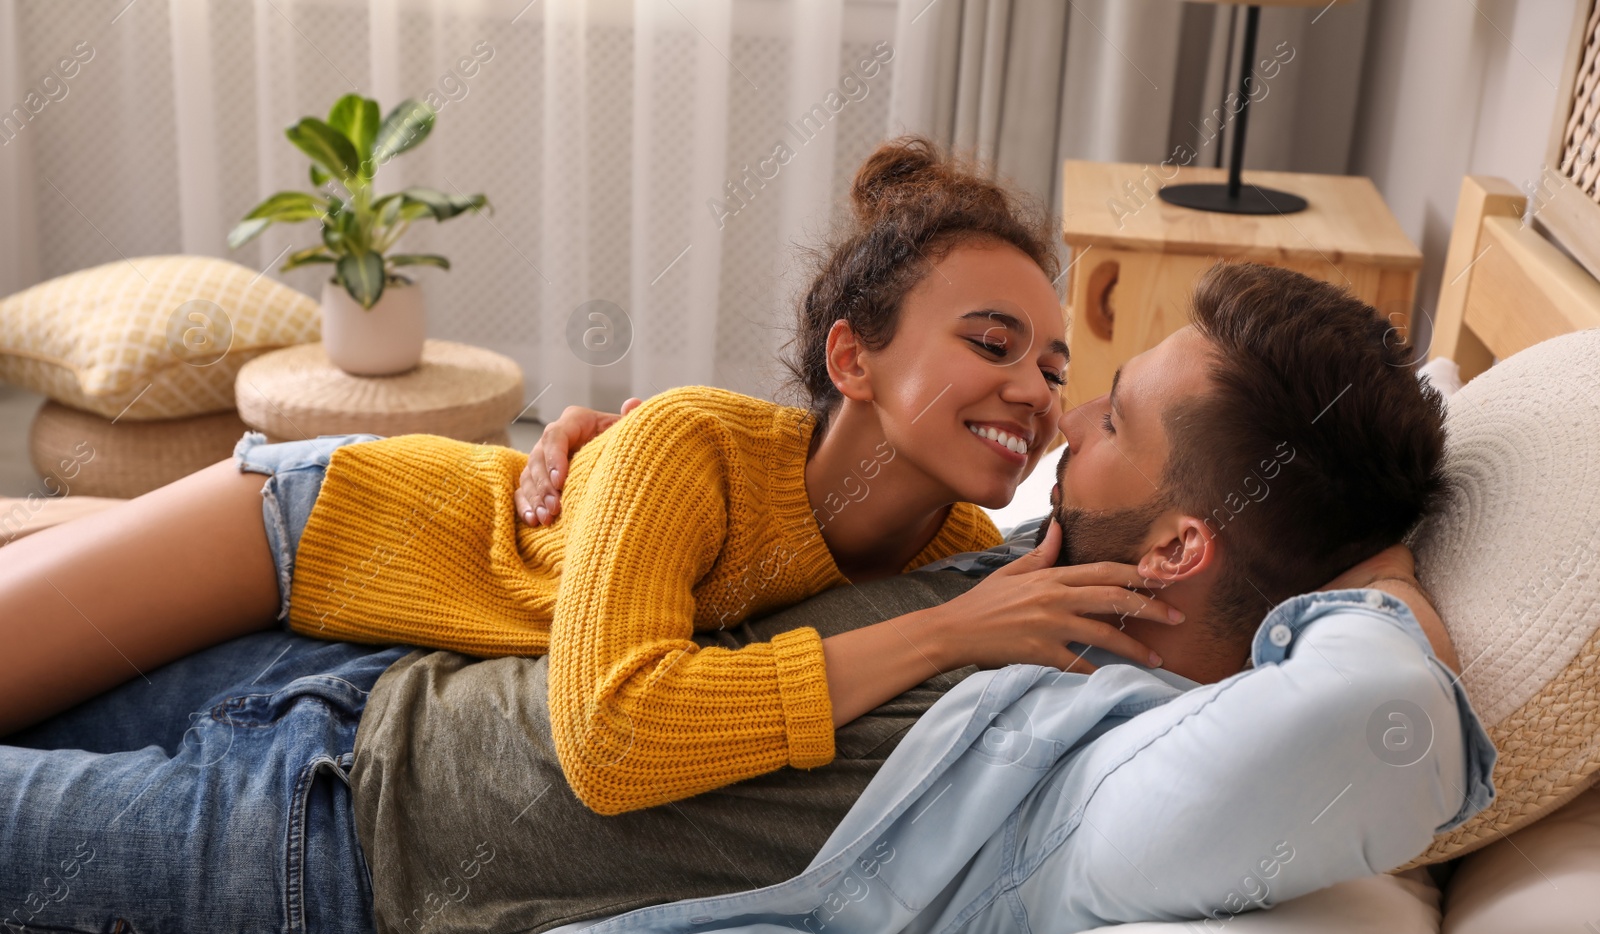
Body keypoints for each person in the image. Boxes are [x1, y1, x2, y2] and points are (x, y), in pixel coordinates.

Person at [0, 246, 1470, 934]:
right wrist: (630, 462)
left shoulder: (1105, 787)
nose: (1067, 415)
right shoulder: (1042, 569)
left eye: (1118, 410)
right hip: (365, 672)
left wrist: (1381, 560)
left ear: (1189, 539)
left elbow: (1372, 732)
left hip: (321, 859)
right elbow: (810, 499)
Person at [0, 138, 1187, 819]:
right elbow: (616, 740)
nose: (1034, 388)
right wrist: (940, 637)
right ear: (851, 357)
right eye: (989, 344)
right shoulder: (695, 446)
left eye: (1051, 362)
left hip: (387, 645)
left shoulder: (961, 547)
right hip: (311, 524)